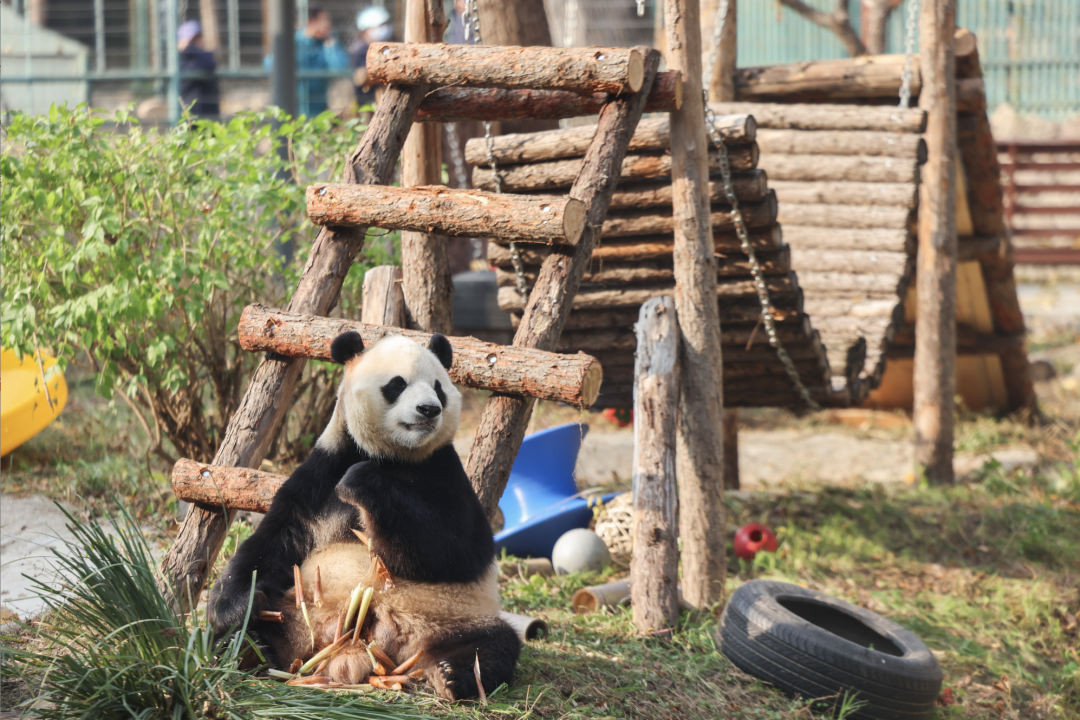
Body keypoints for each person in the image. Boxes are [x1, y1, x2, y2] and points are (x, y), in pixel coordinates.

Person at [349, 6, 394, 111]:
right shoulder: (359, 50)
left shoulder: (388, 45)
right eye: (379, 26)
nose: (383, 28)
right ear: (366, 30)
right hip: (367, 103)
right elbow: (362, 76)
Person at [177, 19, 220, 118]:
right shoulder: (181, 60)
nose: (194, 44)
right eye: (191, 41)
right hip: (188, 117)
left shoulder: (204, 57)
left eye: (197, 39)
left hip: (209, 115)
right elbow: (192, 68)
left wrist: (191, 49)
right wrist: (188, 49)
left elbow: (209, 65)